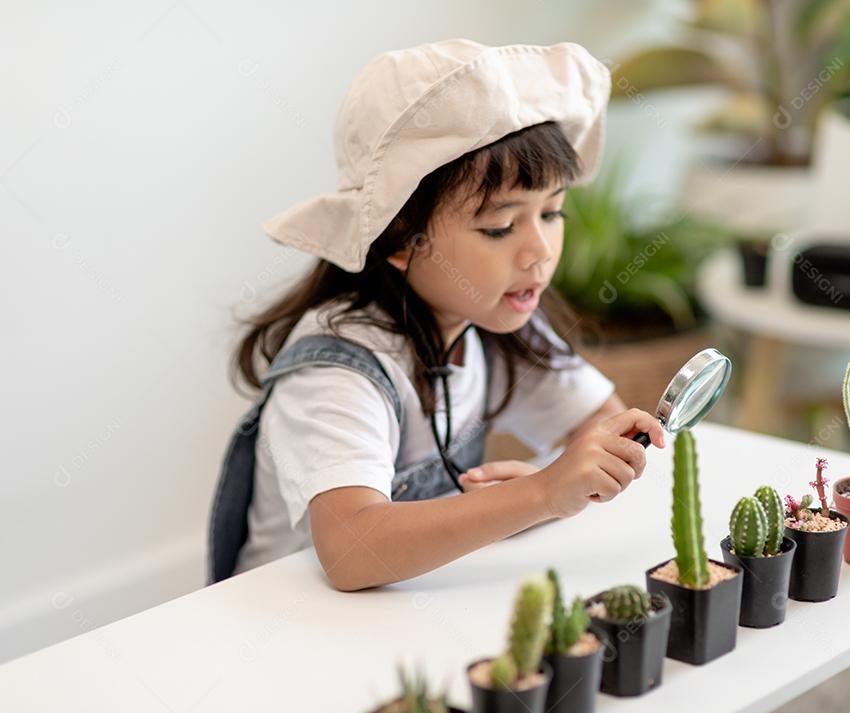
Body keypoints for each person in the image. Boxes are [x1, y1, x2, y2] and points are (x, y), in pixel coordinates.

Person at [209, 39, 665, 590]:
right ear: (401, 240)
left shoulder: (494, 320)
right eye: (500, 226)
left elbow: (605, 424)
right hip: (281, 621)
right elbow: (352, 552)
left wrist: (549, 486)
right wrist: (539, 494)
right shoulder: (338, 369)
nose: (540, 250)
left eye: (552, 212)